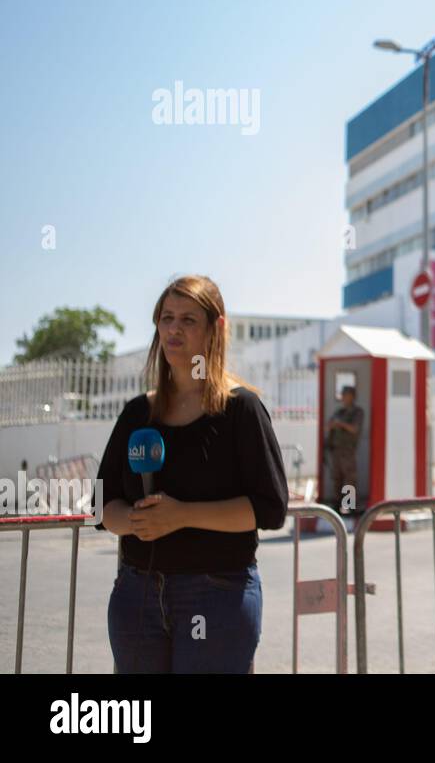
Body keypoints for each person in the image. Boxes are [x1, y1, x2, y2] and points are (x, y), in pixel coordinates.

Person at [95, 275, 288, 673]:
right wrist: (137, 521)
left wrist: (181, 515)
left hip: (216, 597)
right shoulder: (137, 413)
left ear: (215, 329)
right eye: (166, 318)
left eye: (188, 320)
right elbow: (101, 504)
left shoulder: (241, 410)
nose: (174, 329)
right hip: (138, 596)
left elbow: (269, 509)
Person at [324, 386, 365, 512]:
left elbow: (354, 429)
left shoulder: (357, 412)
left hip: (348, 451)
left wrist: (340, 424)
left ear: (352, 396)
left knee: (349, 479)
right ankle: (337, 505)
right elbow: (327, 427)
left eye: (345, 395)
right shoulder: (339, 412)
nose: (343, 397)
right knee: (336, 477)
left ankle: (350, 506)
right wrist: (333, 425)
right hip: (336, 450)